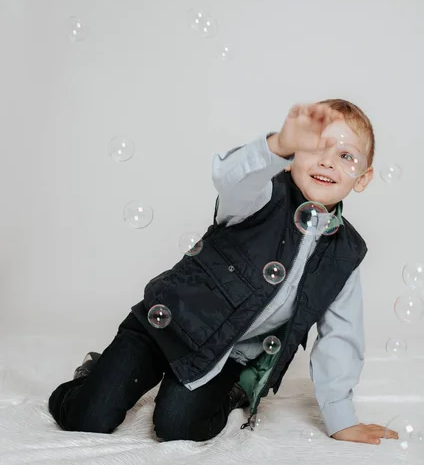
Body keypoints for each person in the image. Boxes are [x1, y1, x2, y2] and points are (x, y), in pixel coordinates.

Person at [48, 99, 399, 446]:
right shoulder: (260, 196)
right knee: (89, 418)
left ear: (363, 178)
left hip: (224, 354)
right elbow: (230, 178)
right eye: (316, 147)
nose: (327, 161)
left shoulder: (344, 254)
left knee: (179, 426)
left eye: (345, 156)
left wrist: (340, 418)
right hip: (165, 325)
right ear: (293, 157)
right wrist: (276, 146)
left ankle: (232, 391)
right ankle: (94, 375)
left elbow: (341, 337)